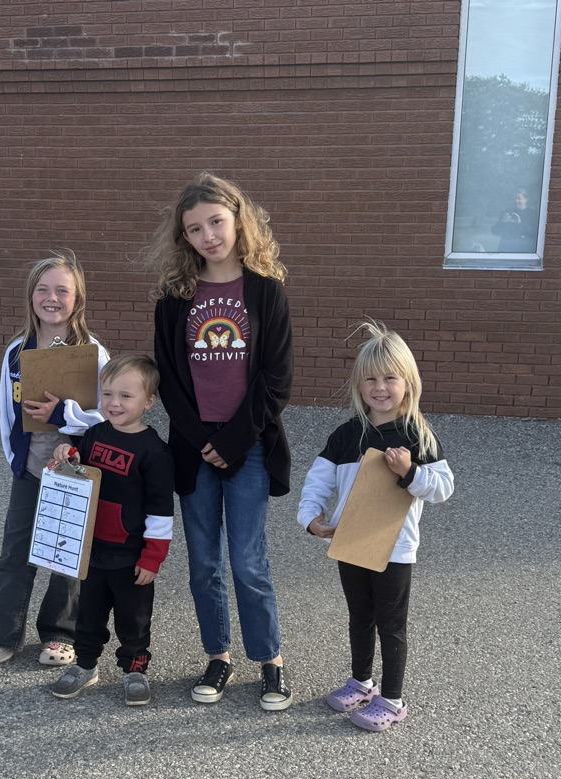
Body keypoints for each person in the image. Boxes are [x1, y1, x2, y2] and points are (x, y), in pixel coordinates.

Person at [151, 171, 293, 711]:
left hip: (248, 445)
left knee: (248, 562)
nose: (208, 236)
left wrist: (232, 441)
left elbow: (276, 380)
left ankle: (270, 660)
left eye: (216, 222)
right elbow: (168, 378)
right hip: (193, 448)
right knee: (204, 564)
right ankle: (218, 655)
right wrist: (200, 438)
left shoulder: (266, 291)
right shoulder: (175, 299)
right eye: (195, 229)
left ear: (238, 221)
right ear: (183, 237)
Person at [0, 251, 109, 675]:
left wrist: (63, 415)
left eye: (62, 291)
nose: (51, 298)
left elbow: (107, 415)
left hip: (75, 472)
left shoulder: (93, 352)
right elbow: (7, 413)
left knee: (66, 556)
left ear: (78, 299)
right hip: (32, 470)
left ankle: (60, 634)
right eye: (43, 289)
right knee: (13, 554)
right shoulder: (17, 352)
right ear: (30, 296)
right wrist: (16, 461)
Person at [297, 321, 454, 732]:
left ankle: (393, 700)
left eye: (390, 378)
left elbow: (443, 487)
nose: (380, 387)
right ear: (358, 384)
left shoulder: (418, 435)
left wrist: (410, 472)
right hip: (351, 543)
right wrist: (310, 518)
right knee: (359, 617)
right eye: (370, 379)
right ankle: (362, 682)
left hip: (395, 550)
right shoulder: (347, 434)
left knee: (391, 624)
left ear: (408, 382)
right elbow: (317, 480)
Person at [49, 354, 174, 706]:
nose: (114, 403)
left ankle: (135, 671)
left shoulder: (155, 452)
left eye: (125, 396)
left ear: (149, 401)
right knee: (88, 615)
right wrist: (67, 455)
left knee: (134, 621)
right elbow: (77, 473)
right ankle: (85, 665)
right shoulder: (94, 434)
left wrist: (152, 558)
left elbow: (161, 512)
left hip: (131, 558)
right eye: (107, 394)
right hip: (92, 550)